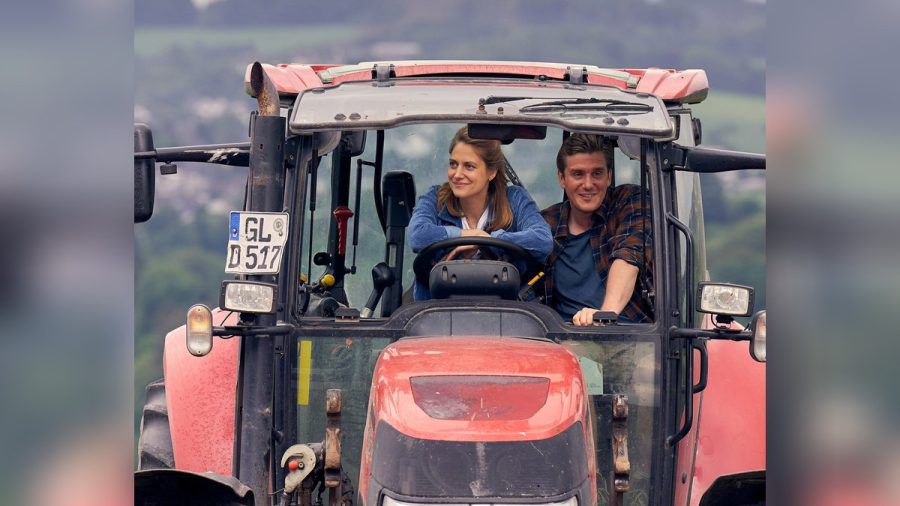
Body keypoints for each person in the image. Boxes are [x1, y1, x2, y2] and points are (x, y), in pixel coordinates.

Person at [408, 126, 552, 300]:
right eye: (453, 164)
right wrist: (466, 235)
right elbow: (417, 236)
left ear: (491, 172)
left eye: (469, 166)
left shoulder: (514, 199)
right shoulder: (435, 199)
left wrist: (491, 241)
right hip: (439, 316)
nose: (457, 174)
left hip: (508, 318)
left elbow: (542, 240)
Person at [540, 133, 653, 325]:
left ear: (609, 176)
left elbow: (629, 255)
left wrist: (604, 317)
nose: (588, 184)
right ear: (561, 178)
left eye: (597, 173)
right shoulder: (545, 224)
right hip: (562, 340)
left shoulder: (630, 201)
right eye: (578, 174)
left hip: (632, 340)